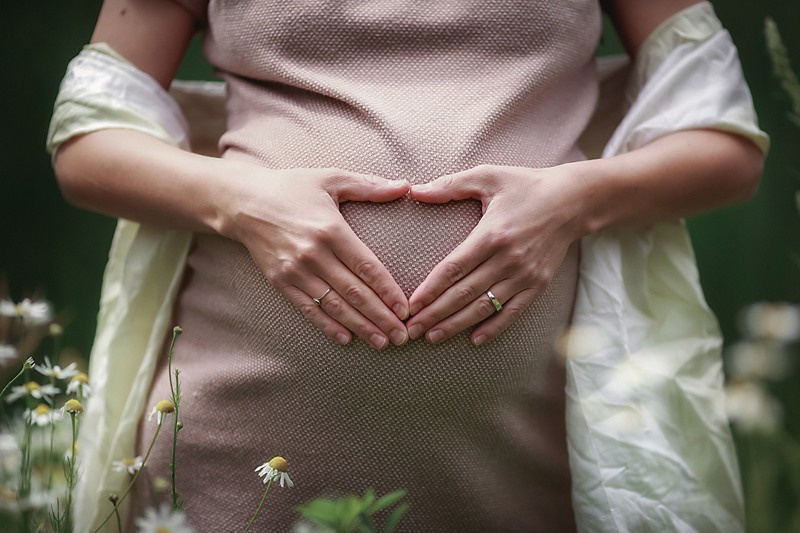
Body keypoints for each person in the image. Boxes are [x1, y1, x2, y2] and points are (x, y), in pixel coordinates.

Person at [48, 0, 767, 531]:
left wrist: (572, 202)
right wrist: (240, 201)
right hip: (239, 439)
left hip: (524, 457)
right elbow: (88, 140)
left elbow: (723, 146)